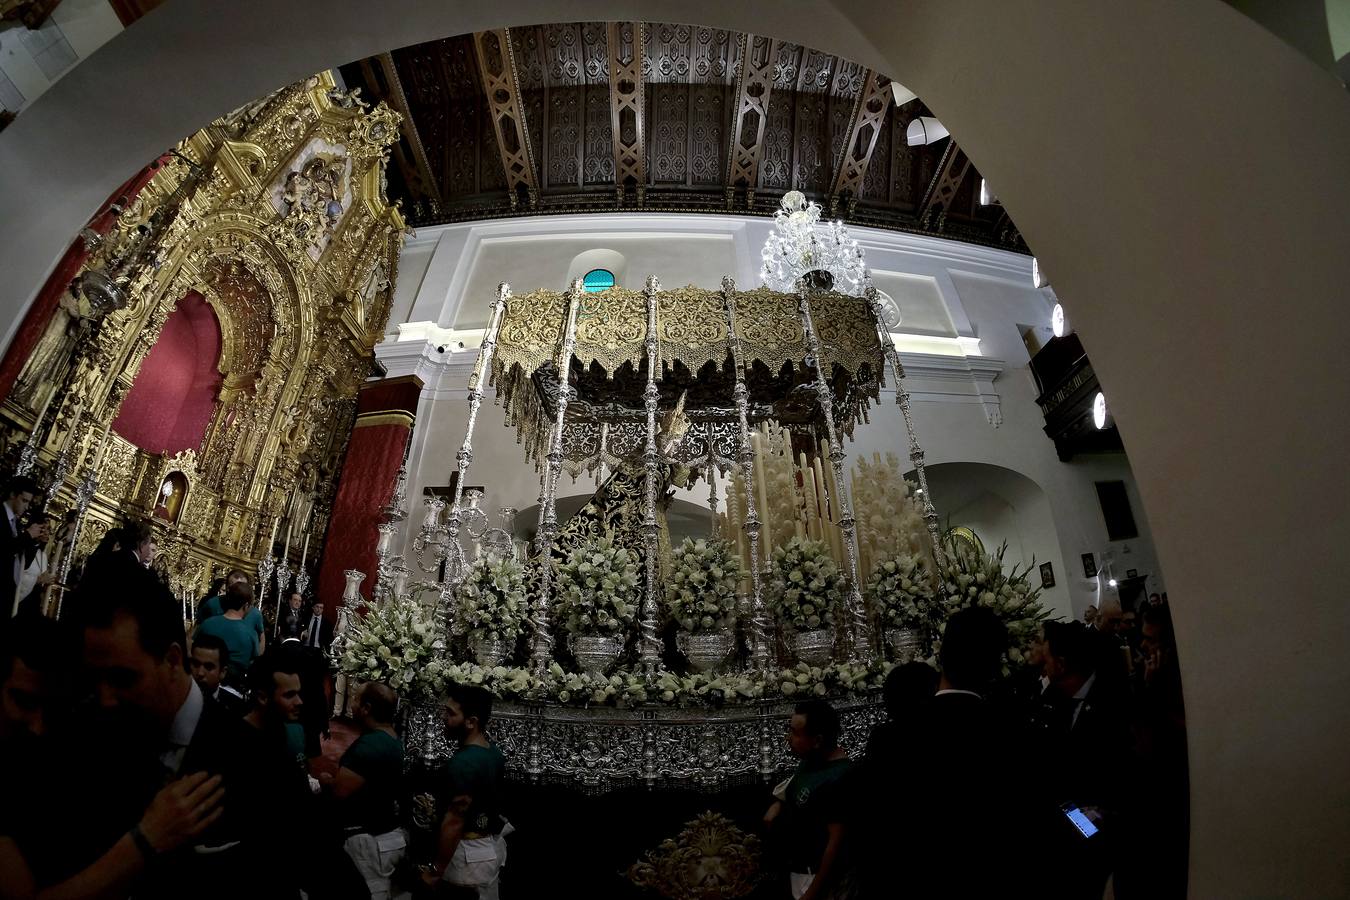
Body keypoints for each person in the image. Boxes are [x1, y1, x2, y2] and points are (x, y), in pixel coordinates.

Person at [420, 683, 510, 899]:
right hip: (485, 851)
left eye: (451, 713)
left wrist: (435, 870)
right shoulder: (493, 753)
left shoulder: (464, 763)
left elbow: (455, 820)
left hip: (465, 859)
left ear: (471, 722)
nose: (444, 717)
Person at [765, 699, 852, 900]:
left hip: (815, 880)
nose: (788, 738)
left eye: (795, 733)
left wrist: (812, 893)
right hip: (797, 871)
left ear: (818, 740)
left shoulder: (840, 779)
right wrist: (779, 803)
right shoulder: (809, 761)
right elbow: (796, 787)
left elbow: (834, 845)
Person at [192, 581, 259, 680]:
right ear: (246, 605)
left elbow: (192, 646)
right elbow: (253, 662)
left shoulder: (207, 624)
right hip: (234, 688)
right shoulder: (250, 634)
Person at [0, 475, 39, 633]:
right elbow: (4, 549)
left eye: (29, 502)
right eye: (24, 501)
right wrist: (27, 536)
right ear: (12, 495)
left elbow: (23, 562)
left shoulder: (16, 523)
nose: (26, 506)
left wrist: (34, 541)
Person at [189, 632, 245, 714]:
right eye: (196, 664)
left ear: (222, 672)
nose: (200, 673)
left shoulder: (236, 708)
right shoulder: (175, 698)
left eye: (208, 667)